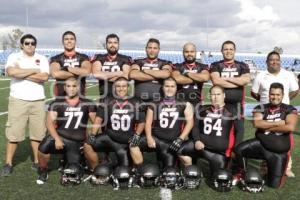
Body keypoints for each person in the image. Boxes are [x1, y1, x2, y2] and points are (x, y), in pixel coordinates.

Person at [1, 34, 49, 176]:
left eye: (32, 43)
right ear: (21, 45)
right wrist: (34, 71)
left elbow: (45, 77)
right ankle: (8, 163)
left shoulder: (42, 58)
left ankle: (36, 161)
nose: (30, 45)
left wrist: (21, 73)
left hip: (38, 100)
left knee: (37, 134)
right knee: (14, 134)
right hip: (18, 100)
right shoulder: (14, 57)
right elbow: (10, 71)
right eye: (27, 43)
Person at [234, 83, 298, 188]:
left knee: (274, 185)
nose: (275, 97)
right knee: (239, 150)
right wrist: (279, 123)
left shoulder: (289, 109)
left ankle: (275, 168)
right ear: (269, 95)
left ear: (282, 95)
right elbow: (257, 124)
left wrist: (266, 125)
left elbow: (290, 127)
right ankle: (242, 172)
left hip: (278, 153)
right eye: (272, 94)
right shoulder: (261, 107)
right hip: (261, 146)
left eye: (278, 94)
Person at [36, 77, 97, 184]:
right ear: (64, 87)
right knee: (43, 147)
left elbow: (96, 123)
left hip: (77, 141)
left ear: (79, 87)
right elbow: (49, 123)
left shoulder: (88, 103)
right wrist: (57, 139)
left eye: (74, 86)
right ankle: (43, 170)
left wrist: (91, 137)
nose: (71, 89)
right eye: (68, 86)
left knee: (73, 169)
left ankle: (81, 159)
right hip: (61, 137)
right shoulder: (57, 103)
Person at [251, 51, 299, 177]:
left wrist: (285, 100)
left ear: (280, 61)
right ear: (267, 62)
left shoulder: (288, 74)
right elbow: (254, 92)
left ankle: (287, 166)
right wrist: (264, 102)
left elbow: (295, 90)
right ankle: (264, 166)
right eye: (271, 59)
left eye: (277, 59)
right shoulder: (261, 75)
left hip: (283, 112)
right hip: (266, 112)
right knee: (263, 139)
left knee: (286, 140)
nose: (274, 62)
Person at [129, 77, 194, 169]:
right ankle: (140, 169)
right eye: (167, 86)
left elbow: (190, 123)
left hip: (173, 141)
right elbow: (148, 123)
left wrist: (180, 139)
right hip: (157, 139)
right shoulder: (154, 104)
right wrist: (149, 138)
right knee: (133, 144)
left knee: (174, 166)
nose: (169, 89)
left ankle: (189, 175)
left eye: (172, 86)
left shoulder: (185, 104)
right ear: (162, 88)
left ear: (176, 88)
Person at [84, 77, 145, 169]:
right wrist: (93, 134)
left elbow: (142, 122)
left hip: (127, 138)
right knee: (87, 145)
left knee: (125, 170)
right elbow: (99, 118)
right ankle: (95, 169)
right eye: (118, 86)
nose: (121, 89)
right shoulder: (107, 99)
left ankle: (138, 171)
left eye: (124, 86)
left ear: (128, 87)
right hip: (110, 137)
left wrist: (137, 135)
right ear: (114, 87)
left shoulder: (136, 101)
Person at [177, 85, 235, 176]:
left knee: (217, 177)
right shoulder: (202, 109)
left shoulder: (233, 110)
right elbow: (195, 126)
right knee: (179, 149)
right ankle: (190, 169)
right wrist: (196, 140)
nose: (215, 97)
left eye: (218, 94)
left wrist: (231, 151)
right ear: (209, 96)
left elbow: (239, 131)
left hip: (219, 152)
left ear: (224, 95)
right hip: (200, 146)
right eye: (213, 94)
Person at [210, 40, 251, 147]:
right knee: (221, 129)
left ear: (235, 51)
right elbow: (216, 81)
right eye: (226, 49)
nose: (228, 51)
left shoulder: (242, 65)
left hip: (237, 105)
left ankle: (236, 154)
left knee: (239, 130)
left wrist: (226, 78)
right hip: (220, 104)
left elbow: (245, 80)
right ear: (221, 51)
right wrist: (238, 82)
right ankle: (222, 153)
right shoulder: (216, 65)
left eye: (231, 49)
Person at [129, 38, 172, 102]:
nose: (152, 50)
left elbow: (166, 74)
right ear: (146, 49)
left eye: (155, 48)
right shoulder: (138, 61)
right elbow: (133, 74)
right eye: (150, 48)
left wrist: (146, 71)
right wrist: (157, 76)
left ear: (159, 50)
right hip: (139, 100)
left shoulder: (165, 63)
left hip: (158, 100)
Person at [50, 31, 91, 97]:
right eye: (66, 39)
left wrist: (66, 69)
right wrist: (78, 74)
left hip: (80, 98)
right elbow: (55, 74)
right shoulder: (56, 58)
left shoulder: (83, 57)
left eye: (71, 39)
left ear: (75, 41)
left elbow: (86, 72)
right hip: (62, 99)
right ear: (62, 42)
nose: (69, 41)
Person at [172, 42, 210, 106]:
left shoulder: (203, 66)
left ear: (195, 52)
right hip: (180, 103)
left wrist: (187, 74)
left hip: (198, 102)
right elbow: (177, 79)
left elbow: (205, 77)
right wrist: (197, 78)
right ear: (183, 53)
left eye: (192, 51)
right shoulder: (177, 66)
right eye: (186, 52)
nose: (189, 54)